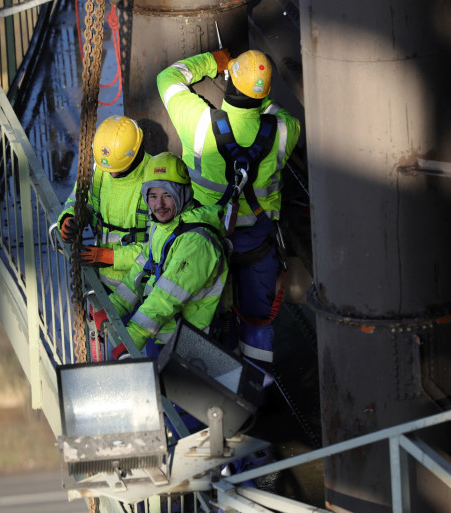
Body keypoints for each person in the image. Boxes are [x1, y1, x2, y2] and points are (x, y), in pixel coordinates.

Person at [156, 48, 301, 369]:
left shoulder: (198, 122)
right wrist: (258, 98)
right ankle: (257, 388)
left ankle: (215, 384)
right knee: (257, 322)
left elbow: (167, 78)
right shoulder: (284, 130)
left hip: (207, 245)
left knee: (207, 317)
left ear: (230, 83)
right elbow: (275, 110)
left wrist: (213, 61)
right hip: (258, 249)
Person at [91, 152, 229, 360]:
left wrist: (133, 337)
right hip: (168, 337)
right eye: (153, 196)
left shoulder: (196, 242)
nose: (159, 205)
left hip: (192, 346)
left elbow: (166, 297)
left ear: (182, 195)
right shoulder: (164, 226)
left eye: (168, 195)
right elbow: (141, 268)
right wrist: (114, 307)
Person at [53, 115, 151, 291]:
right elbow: (78, 199)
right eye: (109, 169)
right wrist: (68, 218)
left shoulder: (156, 181)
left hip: (143, 288)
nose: (112, 174)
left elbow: (160, 247)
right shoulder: (101, 171)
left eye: (118, 169)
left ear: (135, 152)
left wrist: (110, 257)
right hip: (103, 283)